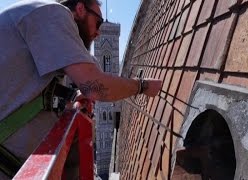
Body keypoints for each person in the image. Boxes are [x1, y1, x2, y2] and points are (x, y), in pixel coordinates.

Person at [0, 0, 162, 178]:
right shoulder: (52, 13)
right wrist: (142, 86)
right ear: (79, 9)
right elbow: (96, 86)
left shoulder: (54, 37)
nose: (98, 32)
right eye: (98, 22)